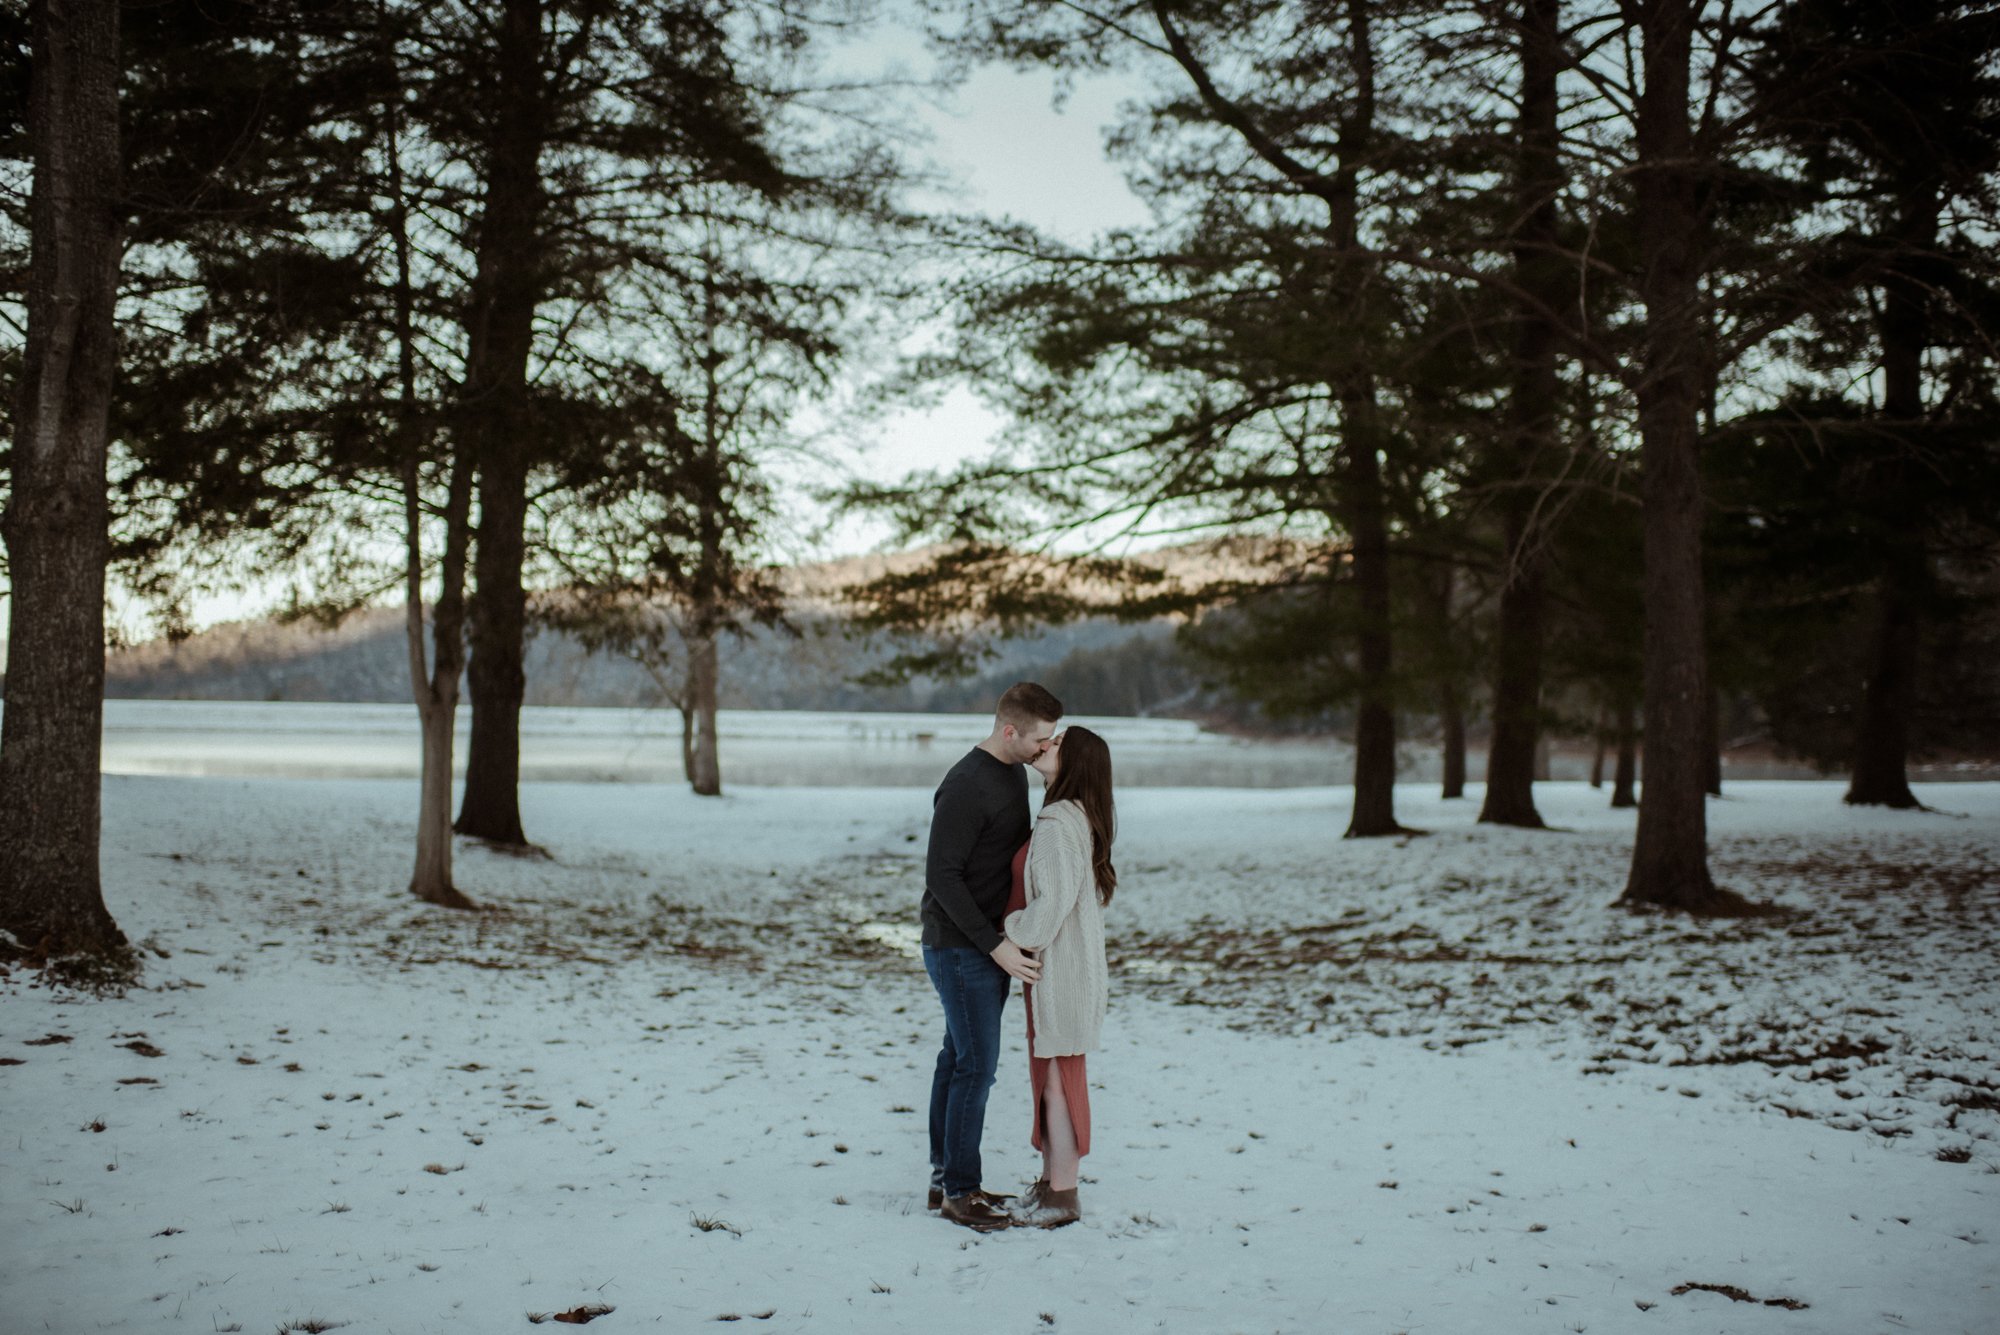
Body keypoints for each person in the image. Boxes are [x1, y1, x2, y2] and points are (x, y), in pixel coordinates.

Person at [921, 682, 1063, 1232]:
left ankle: (945, 1180)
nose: (1044, 749)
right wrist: (997, 945)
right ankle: (960, 1191)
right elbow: (942, 877)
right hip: (961, 947)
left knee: (956, 1060)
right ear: (1009, 731)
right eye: (1039, 740)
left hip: (979, 944)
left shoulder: (1011, 771)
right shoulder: (964, 785)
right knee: (974, 1068)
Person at [1002, 725, 1115, 1229]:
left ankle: (1063, 1196)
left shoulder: (1056, 820)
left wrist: (1007, 930)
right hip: (1068, 970)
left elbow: (1049, 909)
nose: (1046, 745)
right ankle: (1051, 1184)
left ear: (1075, 764)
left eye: (1057, 744)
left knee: (1057, 1084)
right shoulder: (1074, 817)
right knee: (1052, 1079)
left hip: (1060, 971)